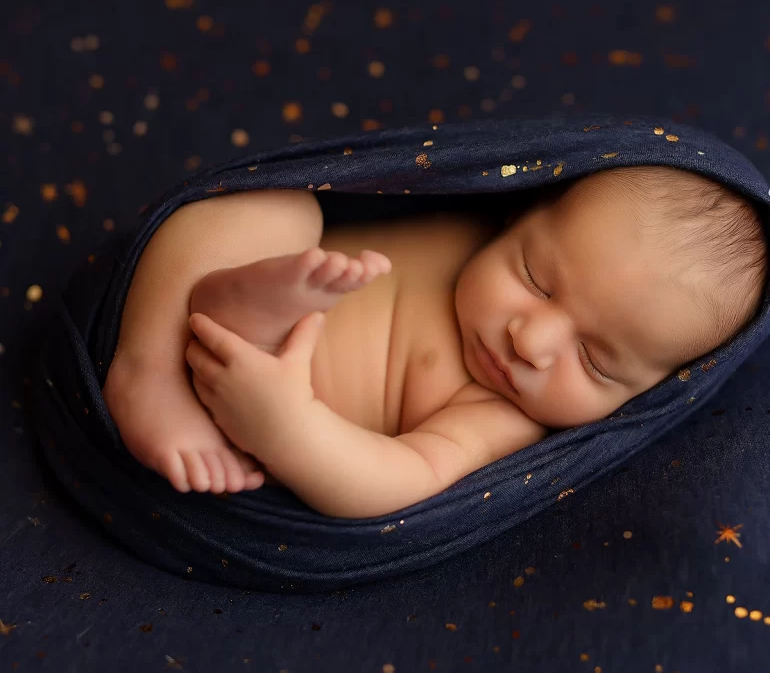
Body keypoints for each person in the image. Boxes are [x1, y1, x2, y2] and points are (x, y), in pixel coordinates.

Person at [102, 165, 768, 518]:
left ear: (650, 396)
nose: (529, 339)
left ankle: (246, 333)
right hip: (211, 309)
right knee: (278, 206)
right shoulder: (459, 230)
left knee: (266, 266)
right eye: (534, 277)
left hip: (260, 418)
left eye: (595, 361)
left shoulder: (501, 416)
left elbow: (405, 479)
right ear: (517, 212)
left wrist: (287, 428)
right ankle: (152, 369)